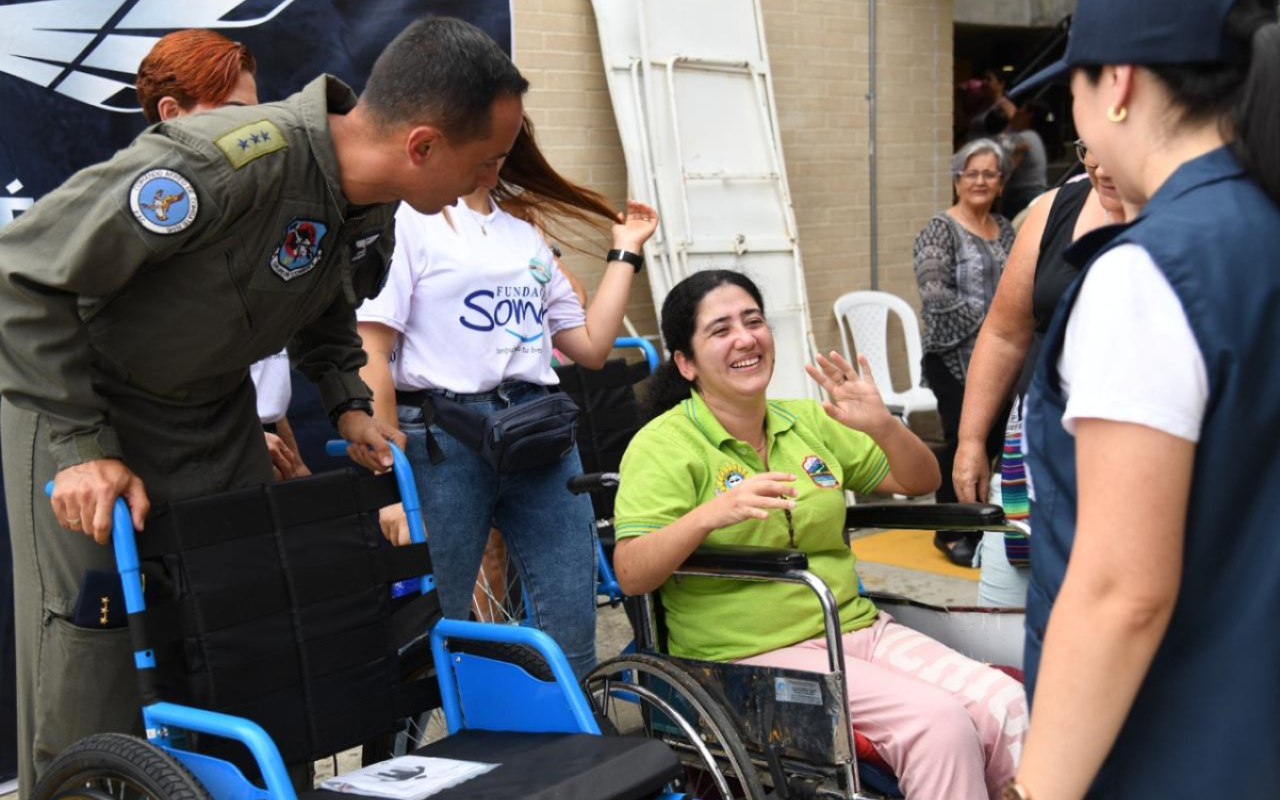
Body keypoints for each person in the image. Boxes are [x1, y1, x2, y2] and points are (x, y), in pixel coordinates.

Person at [0, 17, 528, 794]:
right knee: (101, 646)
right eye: (484, 161)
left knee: (242, 625)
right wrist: (82, 446)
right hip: (90, 410)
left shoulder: (368, 196)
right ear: (422, 145)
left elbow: (322, 295)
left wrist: (347, 400)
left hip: (213, 410)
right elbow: (22, 275)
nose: (487, 181)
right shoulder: (221, 166)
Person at [998, 1, 1280, 798]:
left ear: (1117, 84)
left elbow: (1123, 592)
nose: (1074, 118)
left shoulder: (1152, 272)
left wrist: (1037, 789)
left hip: (1171, 748)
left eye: (1073, 94)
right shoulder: (1259, 226)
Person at [613, 270, 1027, 800]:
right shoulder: (665, 445)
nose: (745, 337)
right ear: (686, 362)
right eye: (720, 330)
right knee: (937, 723)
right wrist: (710, 514)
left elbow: (919, 480)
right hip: (750, 654)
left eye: (753, 320)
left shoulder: (807, 419)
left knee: (1006, 702)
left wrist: (883, 426)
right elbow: (630, 572)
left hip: (855, 628)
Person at [356, 115, 658, 678]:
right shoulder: (408, 223)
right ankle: (447, 756)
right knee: (433, 635)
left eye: (505, 149)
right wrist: (388, 485)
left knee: (571, 634)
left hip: (538, 432)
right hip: (443, 438)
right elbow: (371, 346)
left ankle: (568, 755)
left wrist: (626, 250)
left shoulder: (525, 233)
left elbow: (591, 346)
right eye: (486, 145)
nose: (495, 160)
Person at [953, 141, 1132, 607]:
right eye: (1085, 148)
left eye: (1110, 148)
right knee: (1007, 622)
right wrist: (971, 439)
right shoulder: (1056, 209)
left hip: (1129, 467)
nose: (1096, 163)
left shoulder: (1189, 222)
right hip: (1033, 457)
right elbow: (1004, 333)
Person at [136, 29, 309, 481]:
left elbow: (258, 365)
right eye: (233, 113)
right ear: (172, 114)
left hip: (267, 449)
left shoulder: (259, 208)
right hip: (202, 458)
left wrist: (294, 455)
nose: (253, 130)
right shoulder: (145, 228)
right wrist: (242, 439)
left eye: (256, 115)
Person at [913, 139, 1016, 566]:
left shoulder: (1006, 228)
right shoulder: (940, 229)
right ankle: (953, 528)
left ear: (1001, 182)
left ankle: (983, 527)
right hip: (952, 358)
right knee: (963, 440)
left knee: (994, 441)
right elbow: (934, 294)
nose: (979, 181)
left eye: (989, 173)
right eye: (970, 173)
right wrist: (1002, 321)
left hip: (1001, 358)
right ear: (956, 179)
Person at [1000, 103, 1050, 219]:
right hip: (1037, 193)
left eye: (1019, 113)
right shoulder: (1034, 136)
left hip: (1022, 196)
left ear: (1028, 116)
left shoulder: (1023, 138)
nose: (1014, 116)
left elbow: (1008, 167)